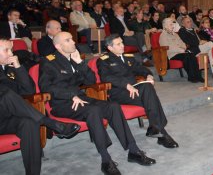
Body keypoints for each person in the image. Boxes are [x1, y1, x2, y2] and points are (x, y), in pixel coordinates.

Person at [39, 32, 156, 175]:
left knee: (113, 106)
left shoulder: (74, 59)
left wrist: (80, 63)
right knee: (93, 110)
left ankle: (133, 151)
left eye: (72, 39)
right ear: (58, 46)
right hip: (62, 103)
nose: (73, 42)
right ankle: (106, 160)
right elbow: (46, 87)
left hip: (82, 99)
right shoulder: (49, 61)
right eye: (68, 40)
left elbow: (91, 81)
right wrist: (70, 95)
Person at [0, 38, 80, 175]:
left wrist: (19, 67)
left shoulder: (10, 69)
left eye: (11, 49)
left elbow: (29, 91)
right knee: (6, 93)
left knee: (29, 123)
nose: (11, 53)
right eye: (6, 50)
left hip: (10, 118)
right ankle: (51, 123)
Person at [97, 34, 178, 148]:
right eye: (118, 44)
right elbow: (106, 77)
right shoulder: (104, 60)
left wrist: (149, 75)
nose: (122, 46)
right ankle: (159, 132)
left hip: (135, 90)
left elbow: (141, 69)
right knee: (150, 95)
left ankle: (158, 130)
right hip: (119, 93)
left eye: (122, 42)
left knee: (147, 88)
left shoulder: (128, 57)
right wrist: (126, 85)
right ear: (110, 48)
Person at [159, 18, 204, 83]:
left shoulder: (175, 34)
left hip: (181, 52)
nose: (173, 26)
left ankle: (198, 76)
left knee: (191, 54)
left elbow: (182, 43)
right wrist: (179, 50)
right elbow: (167, 48)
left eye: (173, 24)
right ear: (165, 26)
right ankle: (192, 77)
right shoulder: (163, 35)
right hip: (172, 54)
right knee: (187, 56)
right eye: (171, 24)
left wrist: (183, 48)